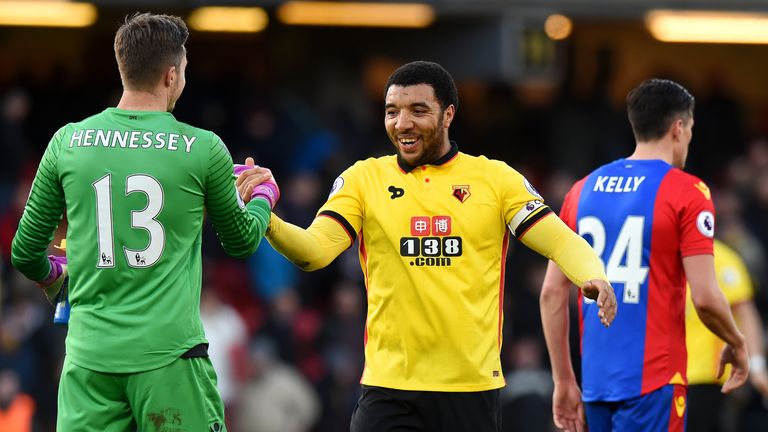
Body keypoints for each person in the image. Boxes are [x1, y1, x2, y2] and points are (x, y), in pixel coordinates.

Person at [236, 60, 616, 431]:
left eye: (418, 110)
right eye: (392, 111)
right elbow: (313, 252)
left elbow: (561, 241)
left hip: (469, 390)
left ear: (448, 114)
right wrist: (266, 217)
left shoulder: (495, 179)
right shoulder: (363, 179)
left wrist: (593, 275)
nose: (402, 123)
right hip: (389, 389)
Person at [10, 13, 278, 431]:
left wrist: (56, 278)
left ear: (124, 69)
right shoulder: (203, 148)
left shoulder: (67, 141)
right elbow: (241, 240)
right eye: (185, 70)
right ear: (172, 75)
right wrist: (263, 195)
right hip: (169, 359)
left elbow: (25, 253)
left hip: (88, 361)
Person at [540, 78, 749, 432]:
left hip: (596, 384)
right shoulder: (689, 191)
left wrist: (564, 381)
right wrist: (737, 341)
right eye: (692, 128)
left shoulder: (582, 190)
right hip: (655, 382)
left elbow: (551, 293)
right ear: (679, 128)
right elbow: (707, 298)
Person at [686, 239, 768, 432]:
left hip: (706, 376)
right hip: (660, 375)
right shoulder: (658, 254)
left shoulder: (720, 258)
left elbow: (746, 314)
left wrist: (757, 367)